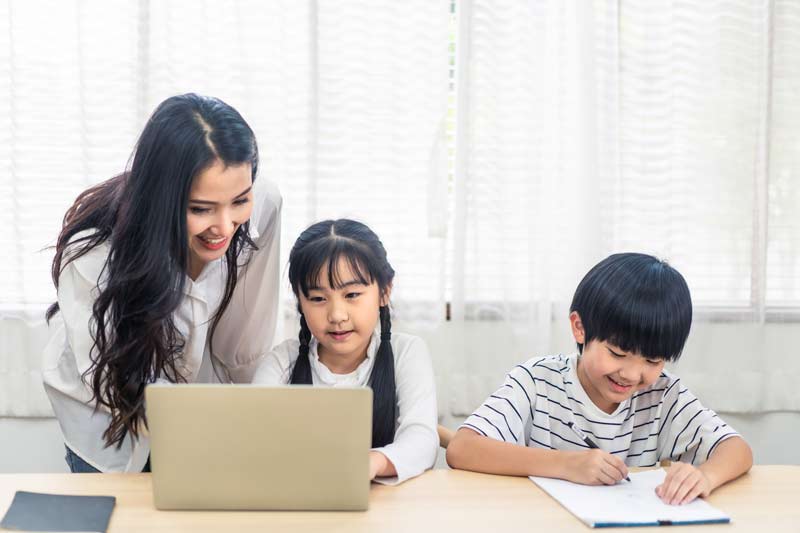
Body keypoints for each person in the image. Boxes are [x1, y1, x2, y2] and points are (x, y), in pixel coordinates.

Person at [43, 93, 282, 473]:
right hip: (109, 419)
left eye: (239, 200)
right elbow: (114, 384)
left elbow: (247, 336)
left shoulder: (264, 204)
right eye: (200, 209)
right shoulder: (94, 256)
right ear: (161, 199)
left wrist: (258, 422)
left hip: (201, 413)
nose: (223, 226)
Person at [446, 253, 752, 505]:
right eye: (617, 353)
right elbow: (463, 448)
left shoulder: (663, 395)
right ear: (579, 328)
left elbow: (737, 449)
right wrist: (567, 465)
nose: (631, 374)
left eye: (652, 360)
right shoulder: (537, 381)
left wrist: (705, 477)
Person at [253, 219, 438, 484]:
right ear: (300, 301)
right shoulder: (282, 362)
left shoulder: (407, 353)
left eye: (352, 295)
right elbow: (255, 439)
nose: (337, 315)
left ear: (384, 291)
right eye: (318, 299)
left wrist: (371, 463)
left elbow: (422, 441)